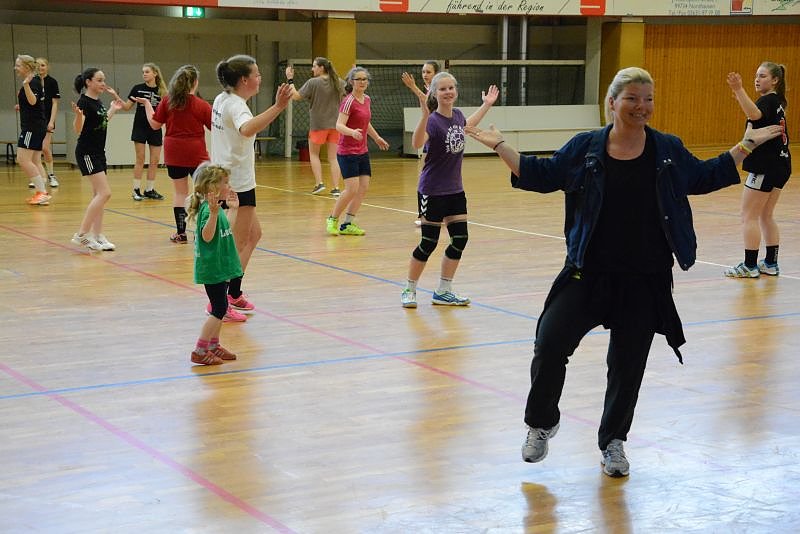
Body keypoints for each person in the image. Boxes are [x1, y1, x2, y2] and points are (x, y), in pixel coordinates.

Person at [465, 67, 783, 478]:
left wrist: (745, 145)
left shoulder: (666, 149)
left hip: (644, 279)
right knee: (549, 343)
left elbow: (703, 177)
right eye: (632, 98)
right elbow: (543, 174)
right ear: (612, 102)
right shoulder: (586, 147)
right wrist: (500, 145)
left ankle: (613, 441)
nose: (641, 106)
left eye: (648, 99)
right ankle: (541, 423)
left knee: (627, 365)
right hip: (587, 273)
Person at [400, 72, 498, 308]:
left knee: (460, 239)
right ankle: (409, 289)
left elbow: (467, 126)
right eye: (443, 89)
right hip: (431, 191)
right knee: (428, 242)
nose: (448, 92)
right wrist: (424, 115)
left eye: (451, 88)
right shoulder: (432, 121)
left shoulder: (458, 115)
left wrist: (486, 105)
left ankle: (444, 291)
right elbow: (416, 143)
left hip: (455, 190)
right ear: (434, 93)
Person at [211, 54, 293, 321]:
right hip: (236, 183)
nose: (260, 78)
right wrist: (278, 107)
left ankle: (233, 292)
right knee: (234, 244)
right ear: (244, 80)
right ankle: (218, 304)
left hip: (226, 177)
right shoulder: (236, 106)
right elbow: (246, 129)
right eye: (256, 74)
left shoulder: (222, 98)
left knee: (253, 235)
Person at [723, 62, 791, 278]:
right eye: (756, 75)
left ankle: (750, 265)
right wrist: (742, 98)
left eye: (762, 76)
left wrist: (738, 89)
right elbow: (755, 113)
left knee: (748, 216)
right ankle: (770, 263)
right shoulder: (777, 102)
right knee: (766, 215)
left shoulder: (768, 100)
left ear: (775, 80)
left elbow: (754, 115)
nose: (757, 79)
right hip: (781, 165)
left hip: (765, 167)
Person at [135, 64, 212, 243]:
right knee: (204, 193)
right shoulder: (201, 104)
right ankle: (203, 231)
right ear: (195, 82)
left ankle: (181, 233)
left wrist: (147, 105)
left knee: (180, 193)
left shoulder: (168, 101)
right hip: (196, 153)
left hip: (174, 153)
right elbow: (214, 127)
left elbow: (154, 124)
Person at [186, 163, 242, 365]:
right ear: (213, 187)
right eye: (225, 182)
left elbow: (227, 230)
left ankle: (213, 345)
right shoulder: (207, 210)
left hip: (222, 267)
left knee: (221, 306)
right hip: (212, 269)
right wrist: (213, 214)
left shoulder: (217, 210)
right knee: (218, 309)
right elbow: (207, 236)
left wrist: (233, 210)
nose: (229, 186)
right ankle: (200, 350)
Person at [326, 67, 390, 236]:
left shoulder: (367, 99)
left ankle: (347, 224)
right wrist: (351, 132)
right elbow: (339, 125)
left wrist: (376, 137)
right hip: (347, 152)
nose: (362, 82)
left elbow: (366, 123)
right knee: (351, 189)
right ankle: (332, 218)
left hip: (362, 151)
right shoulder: (348, 101)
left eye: (364, 79)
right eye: (358, 79)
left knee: (363, 188)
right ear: (351, 82)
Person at [70, 67, 125, 251]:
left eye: (103, 80)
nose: (103, 84)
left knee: (98, 195)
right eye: (99, 80)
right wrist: (78, 116)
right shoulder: (84, 102)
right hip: (87, 152)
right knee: (105, 193)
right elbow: (78, 129)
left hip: (99, 152)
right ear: (88, 82)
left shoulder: (98, 102)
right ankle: (81, 235)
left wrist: (112, 109)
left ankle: (98, 236)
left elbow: (101, 122)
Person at [286, 57, 345, 196]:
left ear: (321, 68)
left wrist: (290, 80)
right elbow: (347, 97)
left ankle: (319, 184)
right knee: (333, 158)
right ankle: (336, 188)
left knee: (313, 154)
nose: (312, 69)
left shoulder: (313, 82)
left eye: (314, 66)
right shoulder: (339, 82)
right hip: (336, 125)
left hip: (318, 124)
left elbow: (295, 96)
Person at [402, 60, 441, 226]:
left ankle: (428, 214)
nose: (425, 75)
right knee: (426, 175)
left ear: (436, 74)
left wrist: (413, 87)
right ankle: (429, 213)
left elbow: (429, 104)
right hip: (429, 133)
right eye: (423, 72)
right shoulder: (428, 88)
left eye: (428, 72)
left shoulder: (438, 90)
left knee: (429, 176)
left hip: (437, 134)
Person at [120, 63, 167, 201]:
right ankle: (136, 189)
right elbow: (127, 107)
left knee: (155, 160)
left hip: (155, 127)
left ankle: (149, 189)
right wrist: (116, 96)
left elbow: (165, 111)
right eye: (143, 72)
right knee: (140, 158)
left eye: (147, 71)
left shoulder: (162, 91)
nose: (144, 74)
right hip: (140, 127)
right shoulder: (137, 88)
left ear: (155, 73)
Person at [14, 54, 50, 206]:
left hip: (32, 127)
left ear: (27, 67)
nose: (15, 68)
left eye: (18, 65)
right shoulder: (34, 81)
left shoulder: (32, 81)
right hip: (36, 125)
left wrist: (26, 85)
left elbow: (33, 101)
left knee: (22, 159)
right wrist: (21, 106)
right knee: (35, 160)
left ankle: (42, 193)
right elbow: (32, 103)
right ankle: (42, 193)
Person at [36, 57, 61, 188]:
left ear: (47, 67)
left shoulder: (52, 82)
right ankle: (38, 177)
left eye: (43, 65)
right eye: (38, 65)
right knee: (35, 150)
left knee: (45, 148)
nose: (40, 67)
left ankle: (51, 175)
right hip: (35, 120)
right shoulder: (33, 81)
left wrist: (51, 121)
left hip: (47, 119)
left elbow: (55, 103)